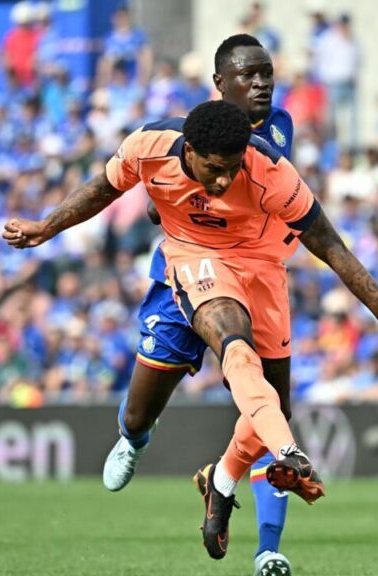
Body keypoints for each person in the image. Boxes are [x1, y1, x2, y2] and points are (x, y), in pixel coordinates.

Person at [3, 100, 378, 566]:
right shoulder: (149, 145)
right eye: (214, 169)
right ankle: (143, 437)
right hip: (195, 259)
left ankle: (224, 481)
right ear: (191, 147)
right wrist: (45, 228)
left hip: (263, 271)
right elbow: (102, 190)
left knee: (274, 403)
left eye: (232, 169)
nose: (224, 181)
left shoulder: (270, 164)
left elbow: (331, 246)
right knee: (207, 365)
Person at [105, 34, 298, 576]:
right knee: (142, 409)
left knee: (269, 415)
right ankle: (134, 438)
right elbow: (156, 194)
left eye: (266, 74)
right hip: (182, 275)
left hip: (252, 277)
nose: (261, 85)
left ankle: (266, 546)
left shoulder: (277, 127)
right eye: (248, 77)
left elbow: (258, 186)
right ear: (220, 86)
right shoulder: (180, 134)